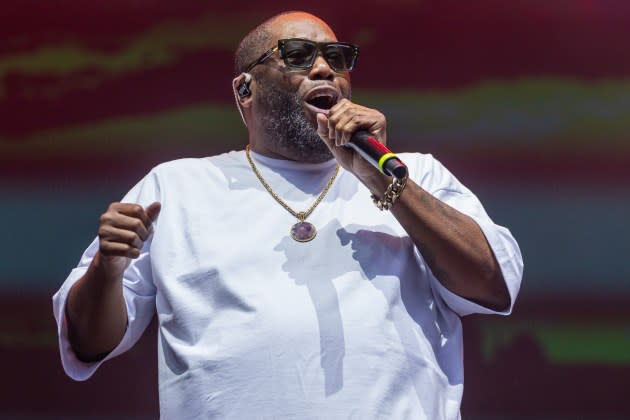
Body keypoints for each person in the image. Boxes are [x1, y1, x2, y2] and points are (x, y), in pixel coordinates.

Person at [53, 11, 523, 420]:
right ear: (244, 89)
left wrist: (382, 181)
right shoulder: (177, 187)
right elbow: (90, 341)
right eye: (297, 54)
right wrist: (107, 269)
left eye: (337, 58)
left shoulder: (413, 174)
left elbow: (491, 285)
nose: (323, 68)